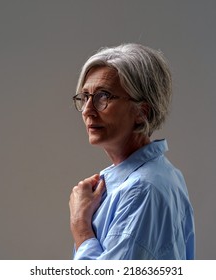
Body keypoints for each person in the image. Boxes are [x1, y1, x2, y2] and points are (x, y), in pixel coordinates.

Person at [69, 43, 195, 260]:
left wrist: (80, 226)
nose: (88, 110)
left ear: (141, 111)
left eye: (103, 96)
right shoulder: (163, 175)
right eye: (85, 97)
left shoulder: (142, 190)